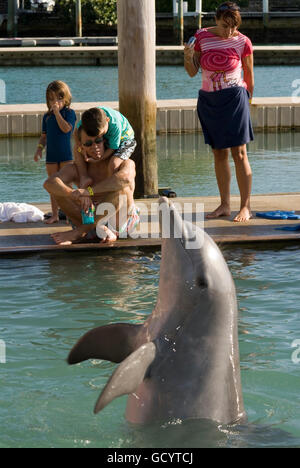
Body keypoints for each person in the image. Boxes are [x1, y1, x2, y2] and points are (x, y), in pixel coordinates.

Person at [184, 2, 254, 222]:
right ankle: (224, 205)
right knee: (219, 153)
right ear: (216, 20)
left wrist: (247, 103)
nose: (229, 31)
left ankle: (245, 207)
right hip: (209, 100)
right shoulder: (201, 38)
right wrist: (187, 56)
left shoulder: (243, 41)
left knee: (239, 153)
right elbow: (192, 72)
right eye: (225, 26)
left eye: (233, 27)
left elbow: (250, 77)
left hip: (235, 99)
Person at [43, 113, 139, 246]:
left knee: (122, 188)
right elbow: (49, 183)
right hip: (89, 220)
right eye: (88, 143)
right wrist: (73, 194)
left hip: (119, 222)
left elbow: (126, 179)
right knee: (58, 190)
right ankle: (96, 229)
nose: (94, 146)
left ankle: (81, 232)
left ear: (105, 140)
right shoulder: (76, 168)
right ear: (81, 147)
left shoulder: (122, 162)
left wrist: (88, 191)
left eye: (98, 141)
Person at [34, 80, 76, 224]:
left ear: (66, 98)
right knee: (53, 186)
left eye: (59, 98)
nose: (55, 102)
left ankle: (71, 215)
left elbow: (66, 129)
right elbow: (43, 136)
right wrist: (39, 149)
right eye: (51, 99)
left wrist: (58, 113)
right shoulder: (47, 117)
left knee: (67, 185)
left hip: (65, 155)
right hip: (51, 156)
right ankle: (55, 214)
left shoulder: (69, 113)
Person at [74, 106, 136, 190]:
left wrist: (99, 159)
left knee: (113, 164)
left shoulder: (115, 125)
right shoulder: (88, 120)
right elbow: (76, 131)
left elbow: (113, 148)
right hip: (108, 137)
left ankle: (109, 188)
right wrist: (81, 146)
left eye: (100, 134)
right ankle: (84, 177)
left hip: (125, 140)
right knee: (76, 149)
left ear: (107, 120)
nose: (98, 136)